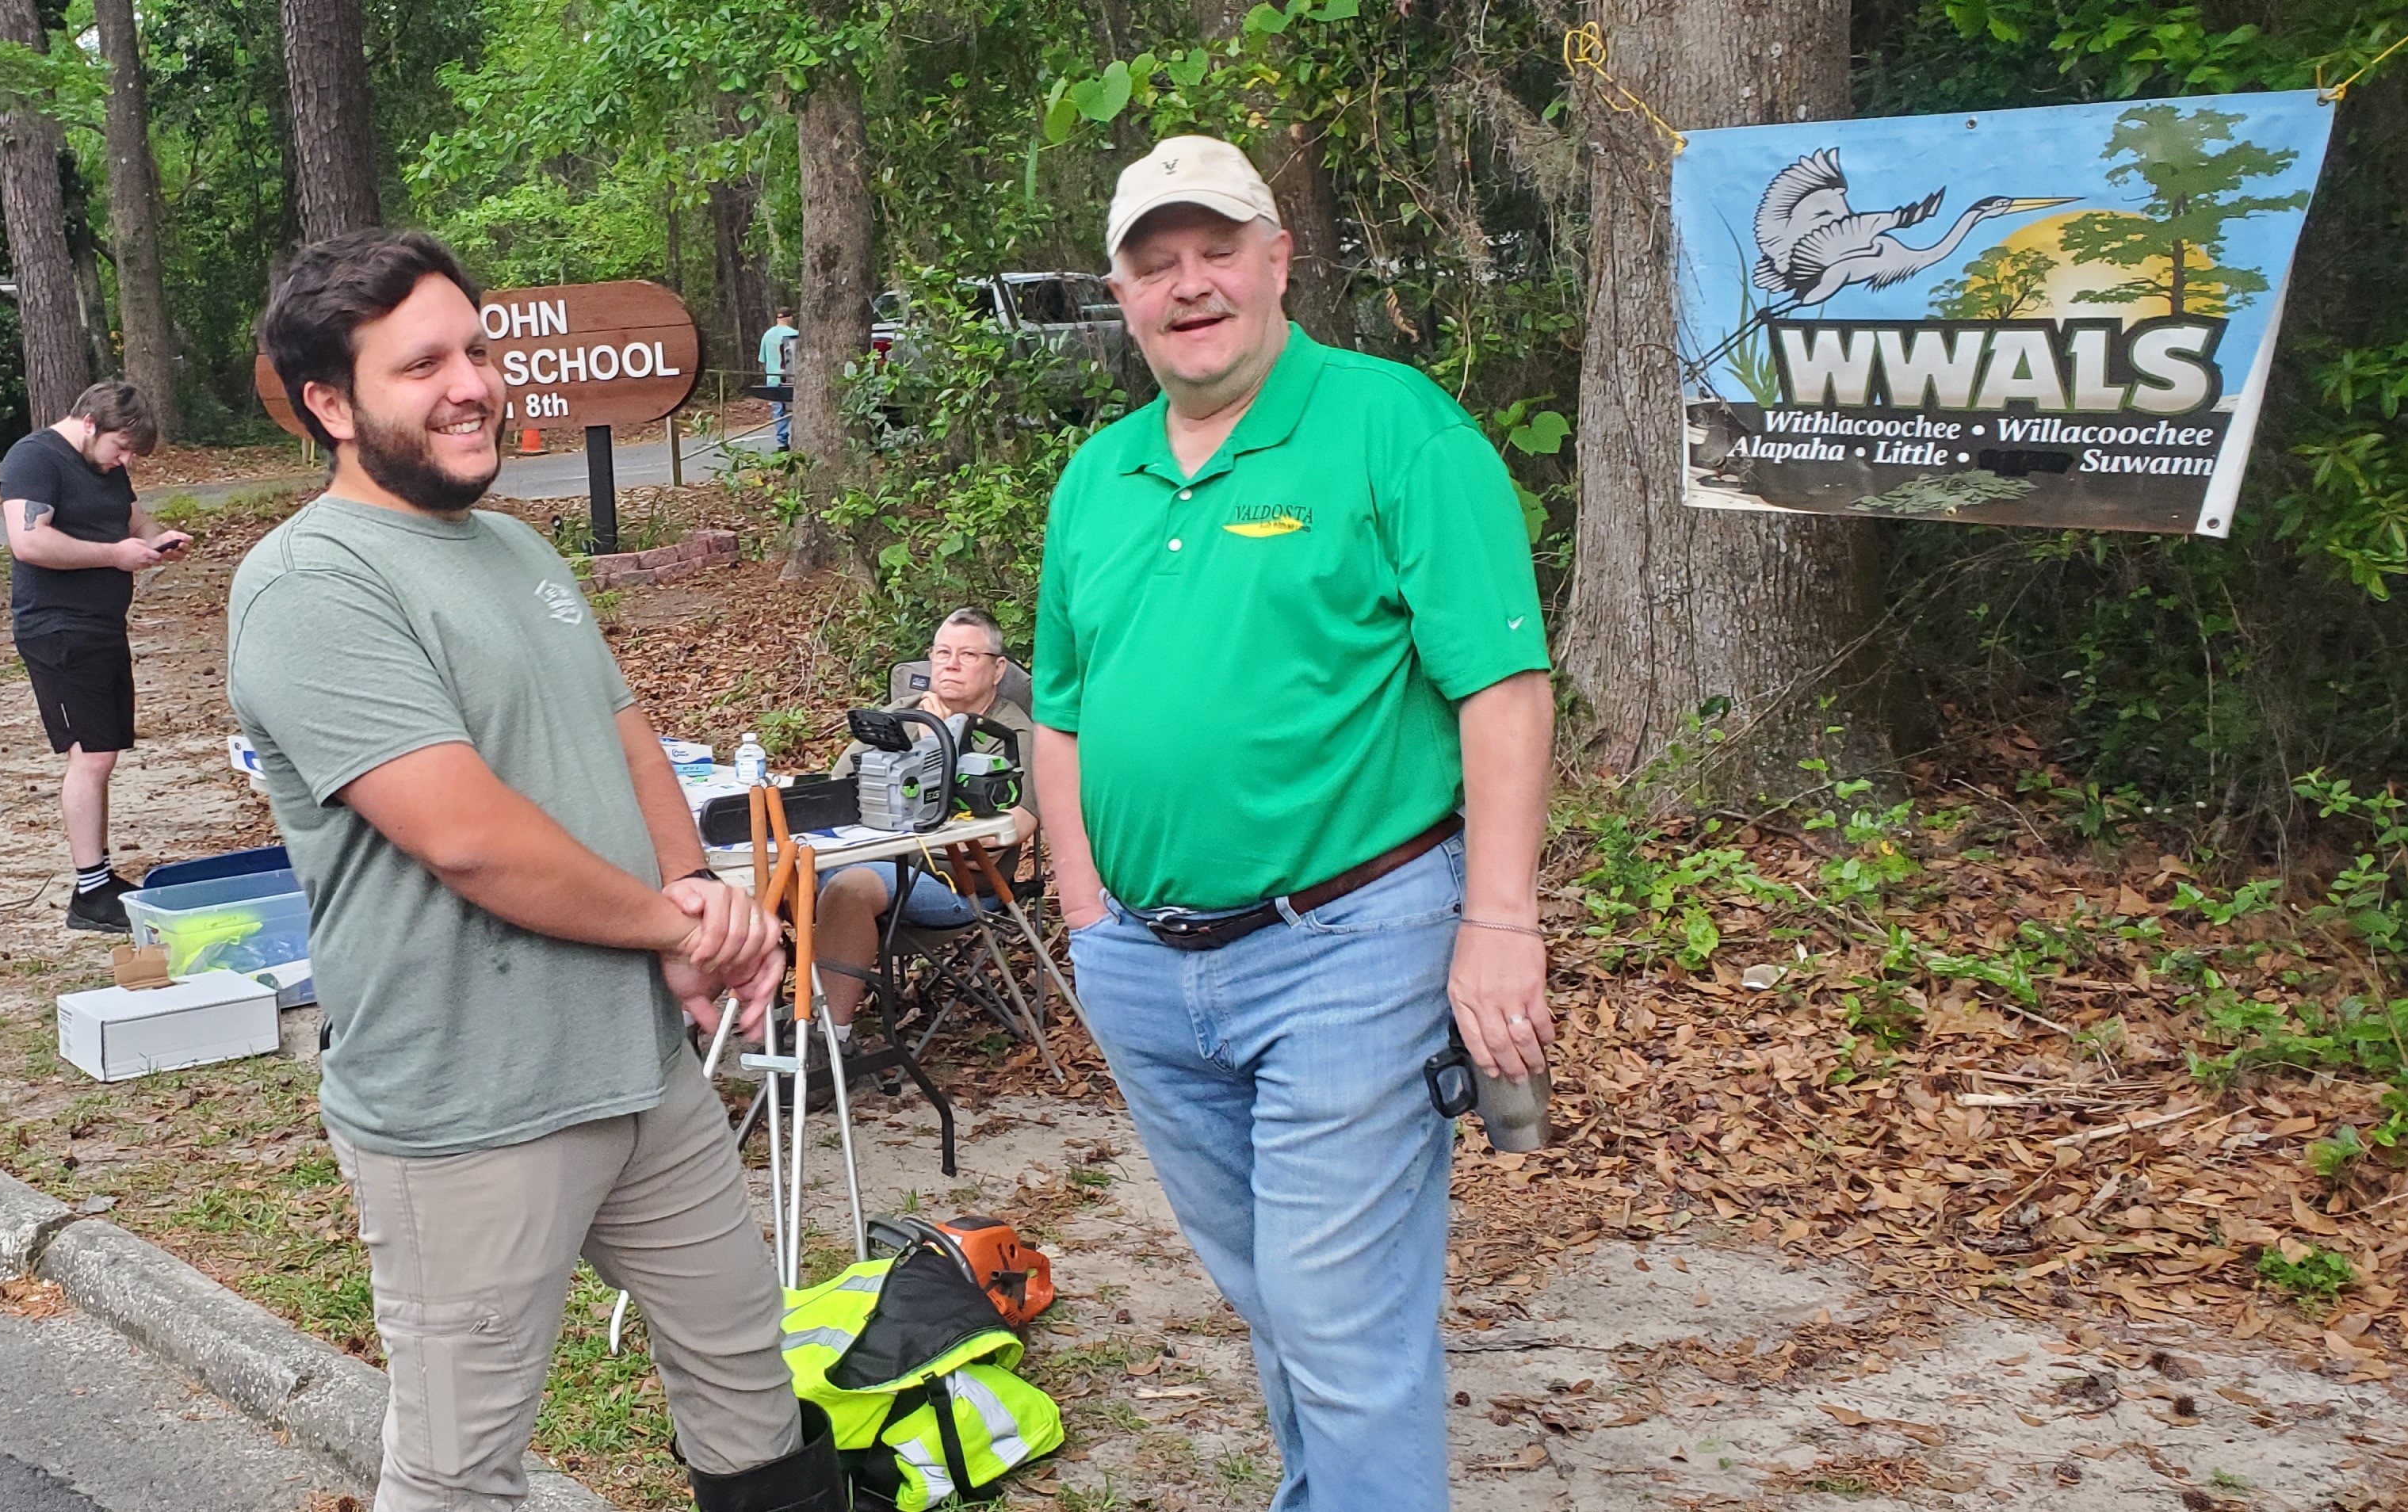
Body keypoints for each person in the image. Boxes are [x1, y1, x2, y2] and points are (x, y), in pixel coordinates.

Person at [228, 228, 843, 1512]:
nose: (473, 383)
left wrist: (698, 901)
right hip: (469, 1108)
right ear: (329, 405)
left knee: (752, 1397)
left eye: (479, 348)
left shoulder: (518, 552)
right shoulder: (307, 583)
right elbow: (467, 833)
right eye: (422, 365)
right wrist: (670, 931)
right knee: (460, 1472)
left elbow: (626, 747)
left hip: (637, 1071)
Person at [1028, 136, 1555, 1512]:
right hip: (1147, 963)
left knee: (1334, 1313)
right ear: (1119, 294)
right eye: (1156, 264)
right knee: (1275, 1296)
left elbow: (1499, 685)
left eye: (1215, 252)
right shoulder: (1098, 478)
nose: (1188, 286)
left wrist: (1499, 923)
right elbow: (1060, 713)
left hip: (1351, 945)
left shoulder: (1395, 427)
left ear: (1276, 260)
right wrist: (1087, 912)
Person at [0, 381, 188, 932]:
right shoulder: (34, 459)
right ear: (89, 423)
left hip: (103, 624)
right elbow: (29, 541)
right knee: (92, 756)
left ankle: (99, 881)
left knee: (105, 750)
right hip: (56, 626)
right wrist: (114, 556)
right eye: (121, 448)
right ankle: (89, 891)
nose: (124, 461)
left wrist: (158, 539)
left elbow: (133, 522)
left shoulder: (107, 466)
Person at [812, 606, 1037, 1029]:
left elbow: (1012, 829)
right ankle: (729, 1029)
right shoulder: (903, 711)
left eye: (968, 655)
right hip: (864, 854)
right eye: (941, 652)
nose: (950, 664)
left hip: (955, 883)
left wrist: (941, 745)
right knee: (772, 879)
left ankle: (828, 1043)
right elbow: (837, 789)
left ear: (997, 669)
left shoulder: (1013, 733)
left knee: (849, 888)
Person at [758, 308, 797, 450]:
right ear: (790, 318)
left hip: (773, 380)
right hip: (792, 379)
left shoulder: (767, 335)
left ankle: (782, 442)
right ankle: (797, 439)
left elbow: (762, 359)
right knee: (795, 409)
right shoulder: (795, 335)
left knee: (778, 411)